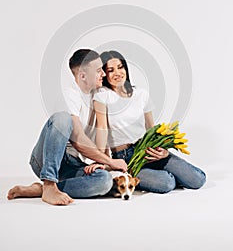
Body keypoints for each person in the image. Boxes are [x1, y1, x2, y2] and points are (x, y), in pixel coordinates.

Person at [7, 49, 127, 205]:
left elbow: (101, 133)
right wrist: (111, 162)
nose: (103, 74)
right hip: (47, 159)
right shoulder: (68, 95)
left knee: (104, 181)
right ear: (82, 76)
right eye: (98, 71)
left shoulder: (96, 98)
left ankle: (43, 189)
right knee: (63, 118)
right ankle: (49, 183)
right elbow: (78, 139)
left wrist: (102, 164)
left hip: (73, 164)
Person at [92, 50, 206, 193]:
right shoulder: (102, 95)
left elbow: (151, 128)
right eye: (110, 70)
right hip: (125, 157)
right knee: (167, 183)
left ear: (126, 69)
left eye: (120, 67)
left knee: (198, 179)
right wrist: (102, 161)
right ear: (104, 74)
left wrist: (163, 150)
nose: (117, 73)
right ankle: (131, 177)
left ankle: (156, 174)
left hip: (148, 149)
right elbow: (102, 128)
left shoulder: (141, 94)